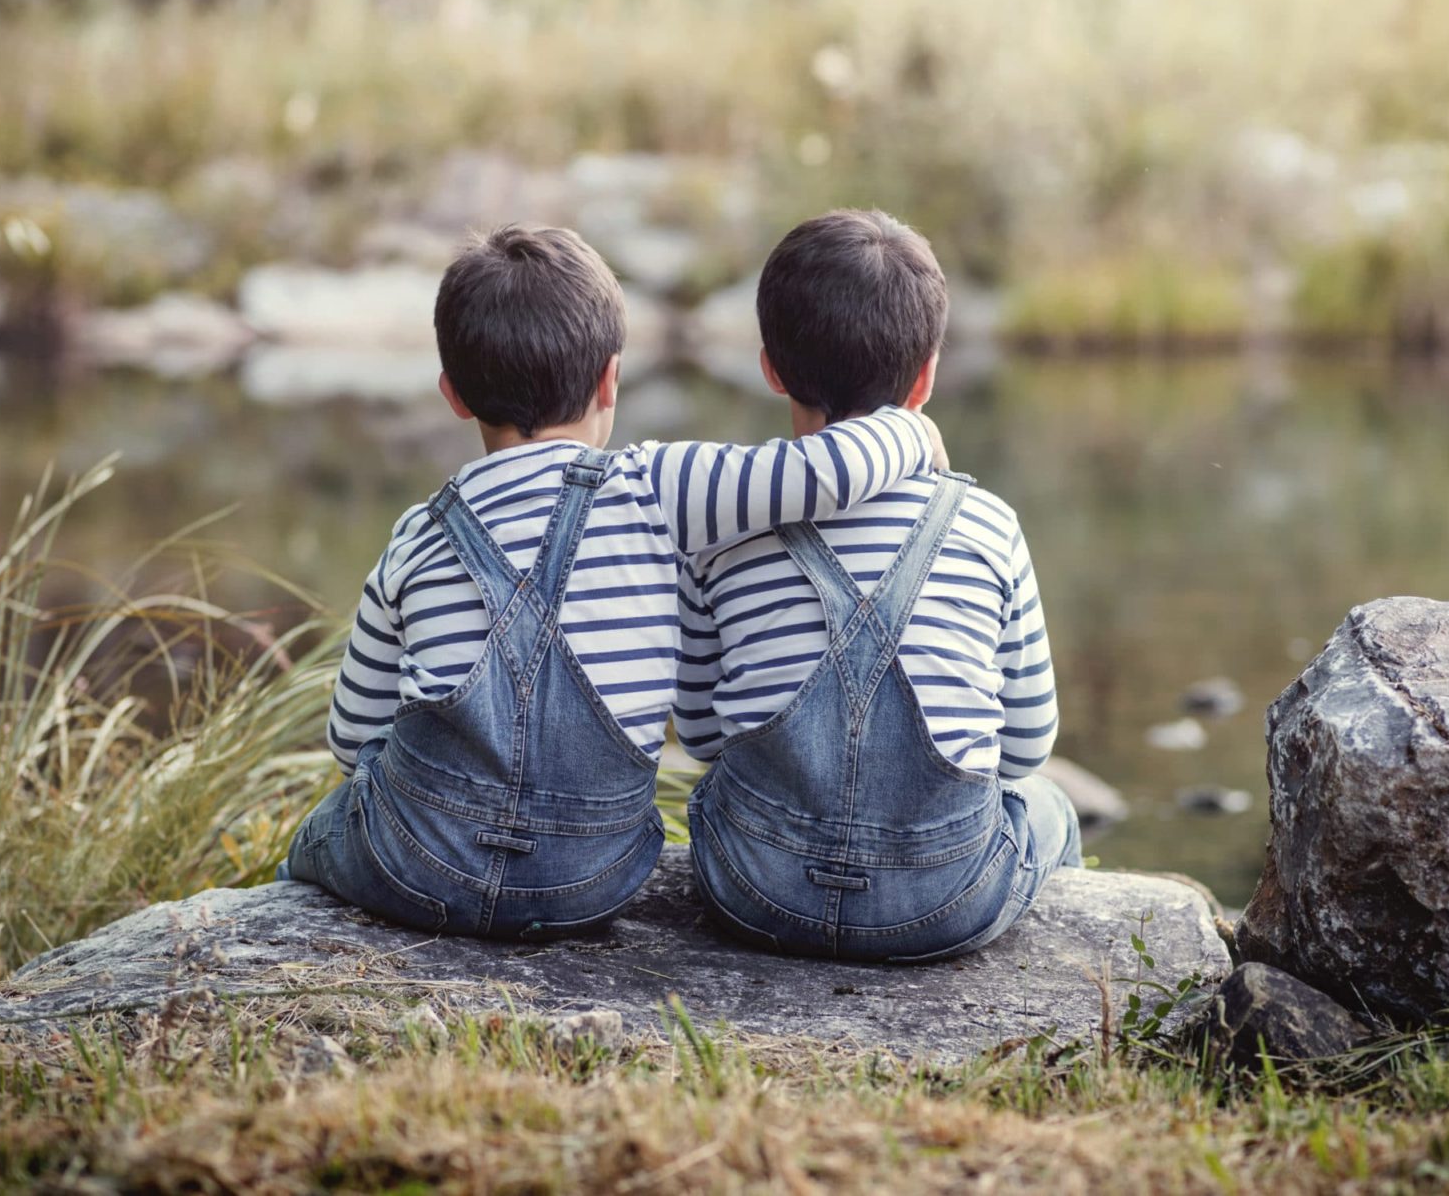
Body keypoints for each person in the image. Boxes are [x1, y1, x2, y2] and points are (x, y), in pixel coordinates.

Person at [279, 223, 942, 940]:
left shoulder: (418, 533)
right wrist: (915, 433)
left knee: (324, 827)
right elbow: (823, 472)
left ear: (453, 394)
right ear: (610, 379)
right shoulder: (659, 487)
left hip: (417, 863)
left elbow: (352, 741)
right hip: (592, 873)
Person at [676, 209, 1078, 961]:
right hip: (945, 897)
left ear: (770, 367)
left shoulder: (722, 528)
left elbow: (700, 736)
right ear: (926, 375)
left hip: (754, 886)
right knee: (1051, 805)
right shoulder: (988, 524)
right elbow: (1025, 747)